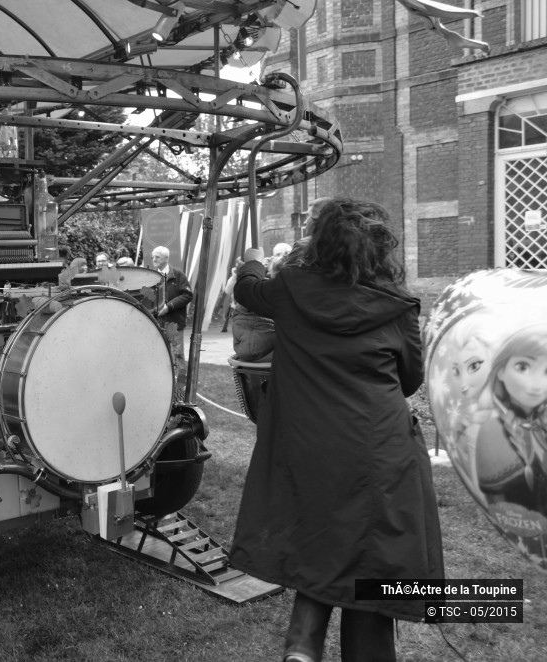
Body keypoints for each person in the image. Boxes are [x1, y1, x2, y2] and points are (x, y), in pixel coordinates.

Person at [229, 198, 443, 662]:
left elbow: (248, 289)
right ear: (378, 248)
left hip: (310, 449)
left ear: (321, 243)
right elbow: (409, 380)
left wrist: (251, 260)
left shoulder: (290, 287)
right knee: (372, 563)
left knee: (321, 544)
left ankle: (302, 648)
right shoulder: (396, 305)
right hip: (378, 450)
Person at [474, 324, 547, 512]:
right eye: (523, 367)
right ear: (501, 370)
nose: (537, 384)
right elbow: (498, 505)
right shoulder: (492, 431)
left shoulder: (540, 424)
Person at [149, 245, 193, 398]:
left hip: (174, 323)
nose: (154, 259)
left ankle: (180, 390)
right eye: (153, 257)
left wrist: (169, 307)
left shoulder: (178, 275)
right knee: (159, 355)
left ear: (166, 258)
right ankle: (162, 388)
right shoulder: (151, 276)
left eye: (157, 257)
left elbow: (188, 295)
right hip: (156, 324)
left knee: (178, 355)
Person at [231, 247, 276, 362]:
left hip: (263, 352)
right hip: (255, 349)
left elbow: (246, 289)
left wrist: (252, 264)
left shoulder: (282, 286)